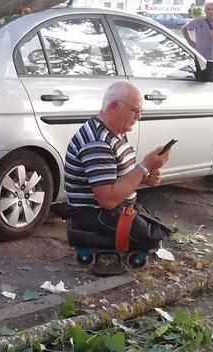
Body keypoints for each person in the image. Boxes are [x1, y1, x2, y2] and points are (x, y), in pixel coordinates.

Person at [64, 81, 171, 247]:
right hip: (95, 214)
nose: (139, 117)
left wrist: (144, 179)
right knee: (154, 238)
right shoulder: (98, 141)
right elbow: (107, 200)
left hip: (115, 208)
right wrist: (144, 167)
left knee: (159, 228)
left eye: (140, 111)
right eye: (135, 111)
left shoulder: (116, 132)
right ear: (114, 106)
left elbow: (117, 178)